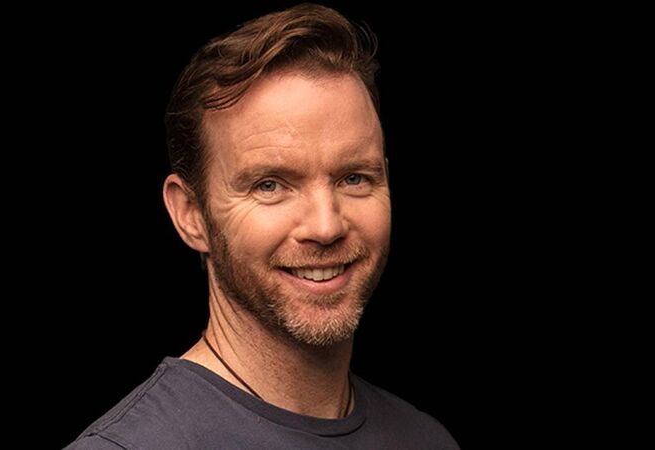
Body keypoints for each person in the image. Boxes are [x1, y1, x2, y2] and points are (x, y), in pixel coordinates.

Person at [65, 4, 458, 449]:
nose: (325, 226)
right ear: (191, 215)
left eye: (353, 178)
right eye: (270, 185)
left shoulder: (427, 439)